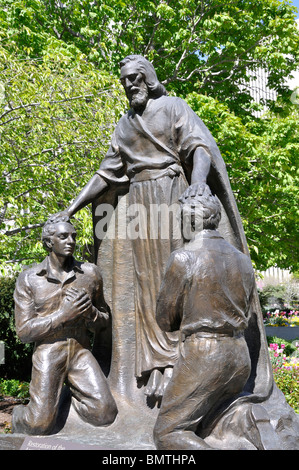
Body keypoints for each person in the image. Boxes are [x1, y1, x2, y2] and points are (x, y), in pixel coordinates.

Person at [52, 55, 272, 403]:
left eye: (135, 78)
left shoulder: (172, 107)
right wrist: (71, 207)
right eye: (125, 81)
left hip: (172, 195)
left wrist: (197, 184)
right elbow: (105, 174)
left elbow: (200, 148)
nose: (130, 86)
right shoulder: (125, 125)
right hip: (139, 203)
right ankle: (156, 367)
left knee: (181, 276)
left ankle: (179, 365)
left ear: (149, 78)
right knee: (146, 285)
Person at [153, 189, 282, 450]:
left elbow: (165, 320)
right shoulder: (243, 261)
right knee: (214, 415)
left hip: (204, 354)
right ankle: (245, 417)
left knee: (168, 433)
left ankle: (242, 418)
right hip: (239, 355)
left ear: (190, 220)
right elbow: (245, 311)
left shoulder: (184, 257)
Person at [12, 215, 118, 435]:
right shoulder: (30, 278)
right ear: (49, 242)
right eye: (63, 236)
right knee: (37, 425)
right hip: (49, 352)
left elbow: (105, 321)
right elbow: (23, 332)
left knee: (104, 413)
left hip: (80, 351)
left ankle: (61, 403)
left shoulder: (90, 274)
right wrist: (63, 315)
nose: (71, 241)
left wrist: (90, 313)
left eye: (73, 236)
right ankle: (20, 416)